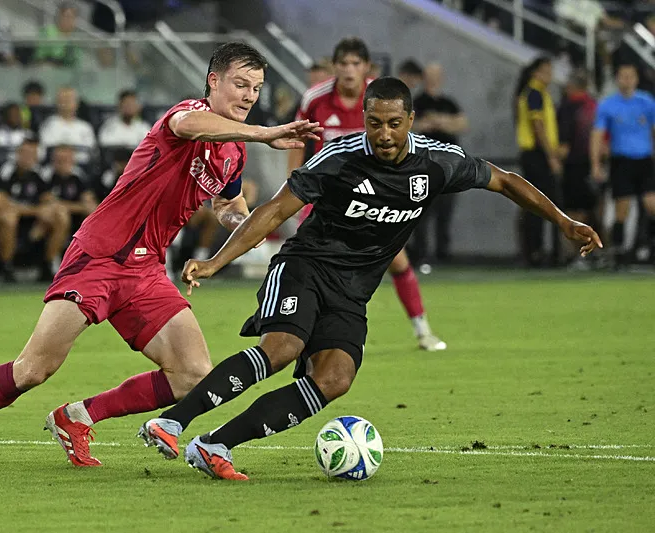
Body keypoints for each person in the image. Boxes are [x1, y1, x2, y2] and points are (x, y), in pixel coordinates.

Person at [140, 76, 603, 480]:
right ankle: (173, 422)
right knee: (282, 348)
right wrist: (217, 261)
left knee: (335, 378)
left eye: (394, 123)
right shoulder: (338, 158)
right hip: (305, 267)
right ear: (364, 119)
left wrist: (563, 222)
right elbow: (276, 209)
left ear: (411, 120)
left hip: (353, 290)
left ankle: (215, 445)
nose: (384, 134)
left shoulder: (437, 162)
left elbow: (504, 180)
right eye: (375, 123)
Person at [0, 41, 322, 468]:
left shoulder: (234, 152)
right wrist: (264, 133)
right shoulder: (187, 114)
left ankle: (77, 417)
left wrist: (241, 227)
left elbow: (227, 204)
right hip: (100, 254)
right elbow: (190, 126)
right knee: (34, 369)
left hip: (146, 269)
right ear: (213, 81)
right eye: (240, 84)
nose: (250, 96)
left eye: (256, 88)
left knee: (192, 374)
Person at [289, 37, 446, 351]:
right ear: (334, 66)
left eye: (355, 63)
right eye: (343, 63)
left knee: (398, 261)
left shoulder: (381, 98)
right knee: (313, 266)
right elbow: (298, 143)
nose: (349, 70)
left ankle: (423, 330)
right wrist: (294, 189)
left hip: (373, 198)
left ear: (366, 67)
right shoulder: (315, 99)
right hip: (327, 200)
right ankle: (309, 333)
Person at [591, 64, 655, 267]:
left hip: (644, 160)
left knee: (651, 204)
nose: (627, 80)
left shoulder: (647, 102)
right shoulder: (608, 105)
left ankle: (649, 248)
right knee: (622, 208)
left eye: (630, 76)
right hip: (621, 162)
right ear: (617, 79)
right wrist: (595, 164)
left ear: (636, 79)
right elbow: (597, 136)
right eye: (623, 76)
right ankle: (618, 252)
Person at [0, 134, 68, 283]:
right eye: (24, 153)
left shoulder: (39, 174)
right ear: (17, 153)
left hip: (33, 223)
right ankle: (6, 267)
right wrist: (36, 211)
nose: (28, 158)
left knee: (60, 215)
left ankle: (49, 265)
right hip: (5, 221)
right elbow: (0, 205)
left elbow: (50, 201)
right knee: (9, 218)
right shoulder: (6, 171)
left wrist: (44, 212)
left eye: (32, 154)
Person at [412, 62, 469, 264]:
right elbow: (411, 125)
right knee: (422, 210)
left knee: (445, 211)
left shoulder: (448, 103)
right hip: (423, 165)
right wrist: (429, 123)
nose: (433, 79)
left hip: (448, 166)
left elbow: (462, 124)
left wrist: (439, 121)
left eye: (436, 75)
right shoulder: (417, 102)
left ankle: (443, 253)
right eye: (430, 75)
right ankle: (421, 254)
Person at [515, 56, 562, 267]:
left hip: (537, 155)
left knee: (537, 203)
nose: (549, 75)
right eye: (546, 71)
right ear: (536, 72)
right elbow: (538, 126)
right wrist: (551, 156)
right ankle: (538, 251)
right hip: (537, 155)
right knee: (541, 203)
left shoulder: (538, 93)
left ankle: (537, 250)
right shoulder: (534, 93)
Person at [557, 69, 598, 269]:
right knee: (592, 210)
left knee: (573, 213)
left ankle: (576, 255)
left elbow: (564, 144)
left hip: (573, 166)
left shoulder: (567, 107)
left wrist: (555, 162)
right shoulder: (594, 105)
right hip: (594, 165)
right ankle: (595, 253)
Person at [43, 144, 98, 234]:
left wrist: (81, 206)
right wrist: (80, 207)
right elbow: (49, 202)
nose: (63, 163)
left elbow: (89, 202)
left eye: (66, 159)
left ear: (73, 160)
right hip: (53, 219)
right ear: (53, 160)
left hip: (76, 215)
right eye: (59, 160)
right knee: (61, 215)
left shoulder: (78, 175)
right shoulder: (46, 175)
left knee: (93, 211)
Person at [38, 86, 97, 167]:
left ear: (77, 103)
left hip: (82, 167)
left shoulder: (86, 127)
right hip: (54, 167)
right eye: (63, 99)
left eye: (69, 99)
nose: (66, 103)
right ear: (57, 102)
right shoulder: (48, 125)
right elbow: (45, 151)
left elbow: (91, 152)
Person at [34, 1, 81, 68]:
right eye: (67, 16)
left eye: (73, 17)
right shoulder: (48, 31)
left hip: (68, 69)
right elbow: (41, 56)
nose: (69, 20)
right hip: (47, 66)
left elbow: (77, 61)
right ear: (59, 17)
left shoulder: (77, 38)